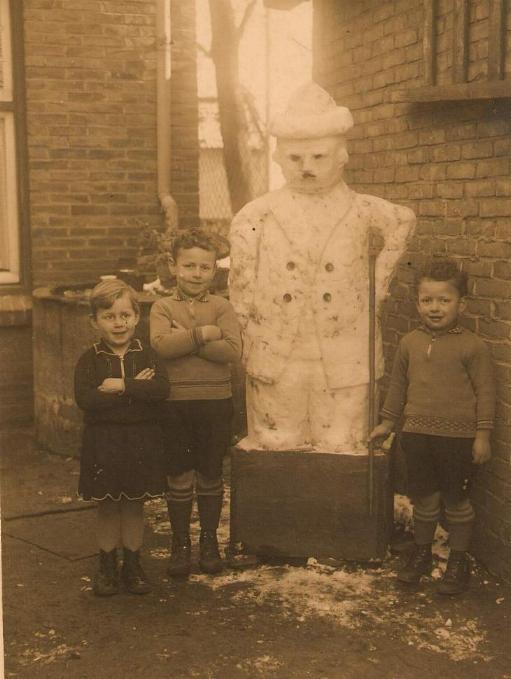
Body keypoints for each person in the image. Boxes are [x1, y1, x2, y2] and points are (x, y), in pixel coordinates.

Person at [229, 82, 415, 454]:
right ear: (279, 158)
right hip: (280, 343)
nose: (307, 167)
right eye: (296, 158)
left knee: (341, 442)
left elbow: (402, 222)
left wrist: (377, 286)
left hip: (344, 341)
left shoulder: (360, 208)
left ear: (341, 156)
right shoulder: (258, 213)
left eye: (318, 157)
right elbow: (241, 275)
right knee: (278, 439)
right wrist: (249, 317)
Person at [369, 258, 496, 594]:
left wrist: (482, 437)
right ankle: (422, 553)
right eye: (427, 300)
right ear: (417, 304)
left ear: (461, 304)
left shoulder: (473, 346)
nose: (435, 308)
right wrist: (387, 423)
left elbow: (486, 394)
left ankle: (458, 560)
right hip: (417, 436)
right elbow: (398, 387)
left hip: (457, 439)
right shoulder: (409, 343)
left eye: (444, 300)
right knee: (424, 499)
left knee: (456, 501)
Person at [150, 229, 242, 576]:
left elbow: (232, 351)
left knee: (210, 473)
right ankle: (180, 544)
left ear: (215, 270)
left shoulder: (222, 306)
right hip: (175, 403)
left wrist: (185, 340)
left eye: (205, 267)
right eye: (189, 266)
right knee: (178, 474)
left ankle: (208, 542)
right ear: (173, 266)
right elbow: (161, 346)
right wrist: (203, 334)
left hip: (215, 402)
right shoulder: (162, 306)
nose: (196, 274)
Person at [75, 280, 170, 596]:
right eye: (109, 316)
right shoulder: (89, 359)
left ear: (137, 317)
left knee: (133, 505)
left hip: (141, 441)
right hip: (104, 444)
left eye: (125, 315)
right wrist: (136, 390)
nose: (118, 323)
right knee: (108, 505)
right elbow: (86, 400)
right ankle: (106, 566)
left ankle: (132, 565)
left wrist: (120, 386)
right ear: (95, 321)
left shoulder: (148, 355)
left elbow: (161, 390)